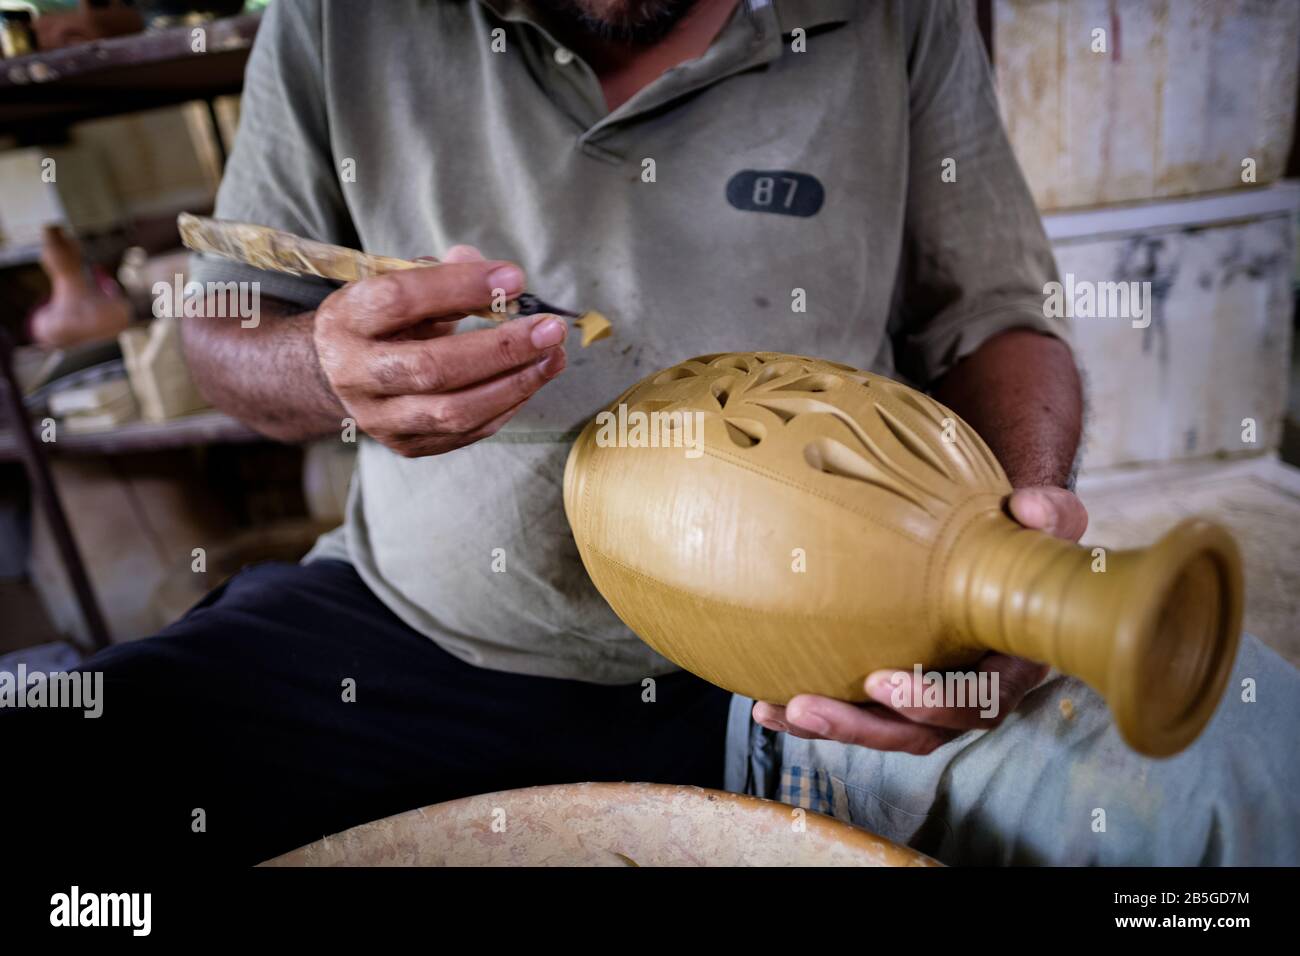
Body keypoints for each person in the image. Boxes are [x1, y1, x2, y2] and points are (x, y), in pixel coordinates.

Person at [16, 0, 1283, 867]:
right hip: (420, 638)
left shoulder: (896, 13)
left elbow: (998, 319)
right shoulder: (343, 17)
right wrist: (323, 364)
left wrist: (1018, 539)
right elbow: (227, 322)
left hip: (823, 672)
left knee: (1248, 766)